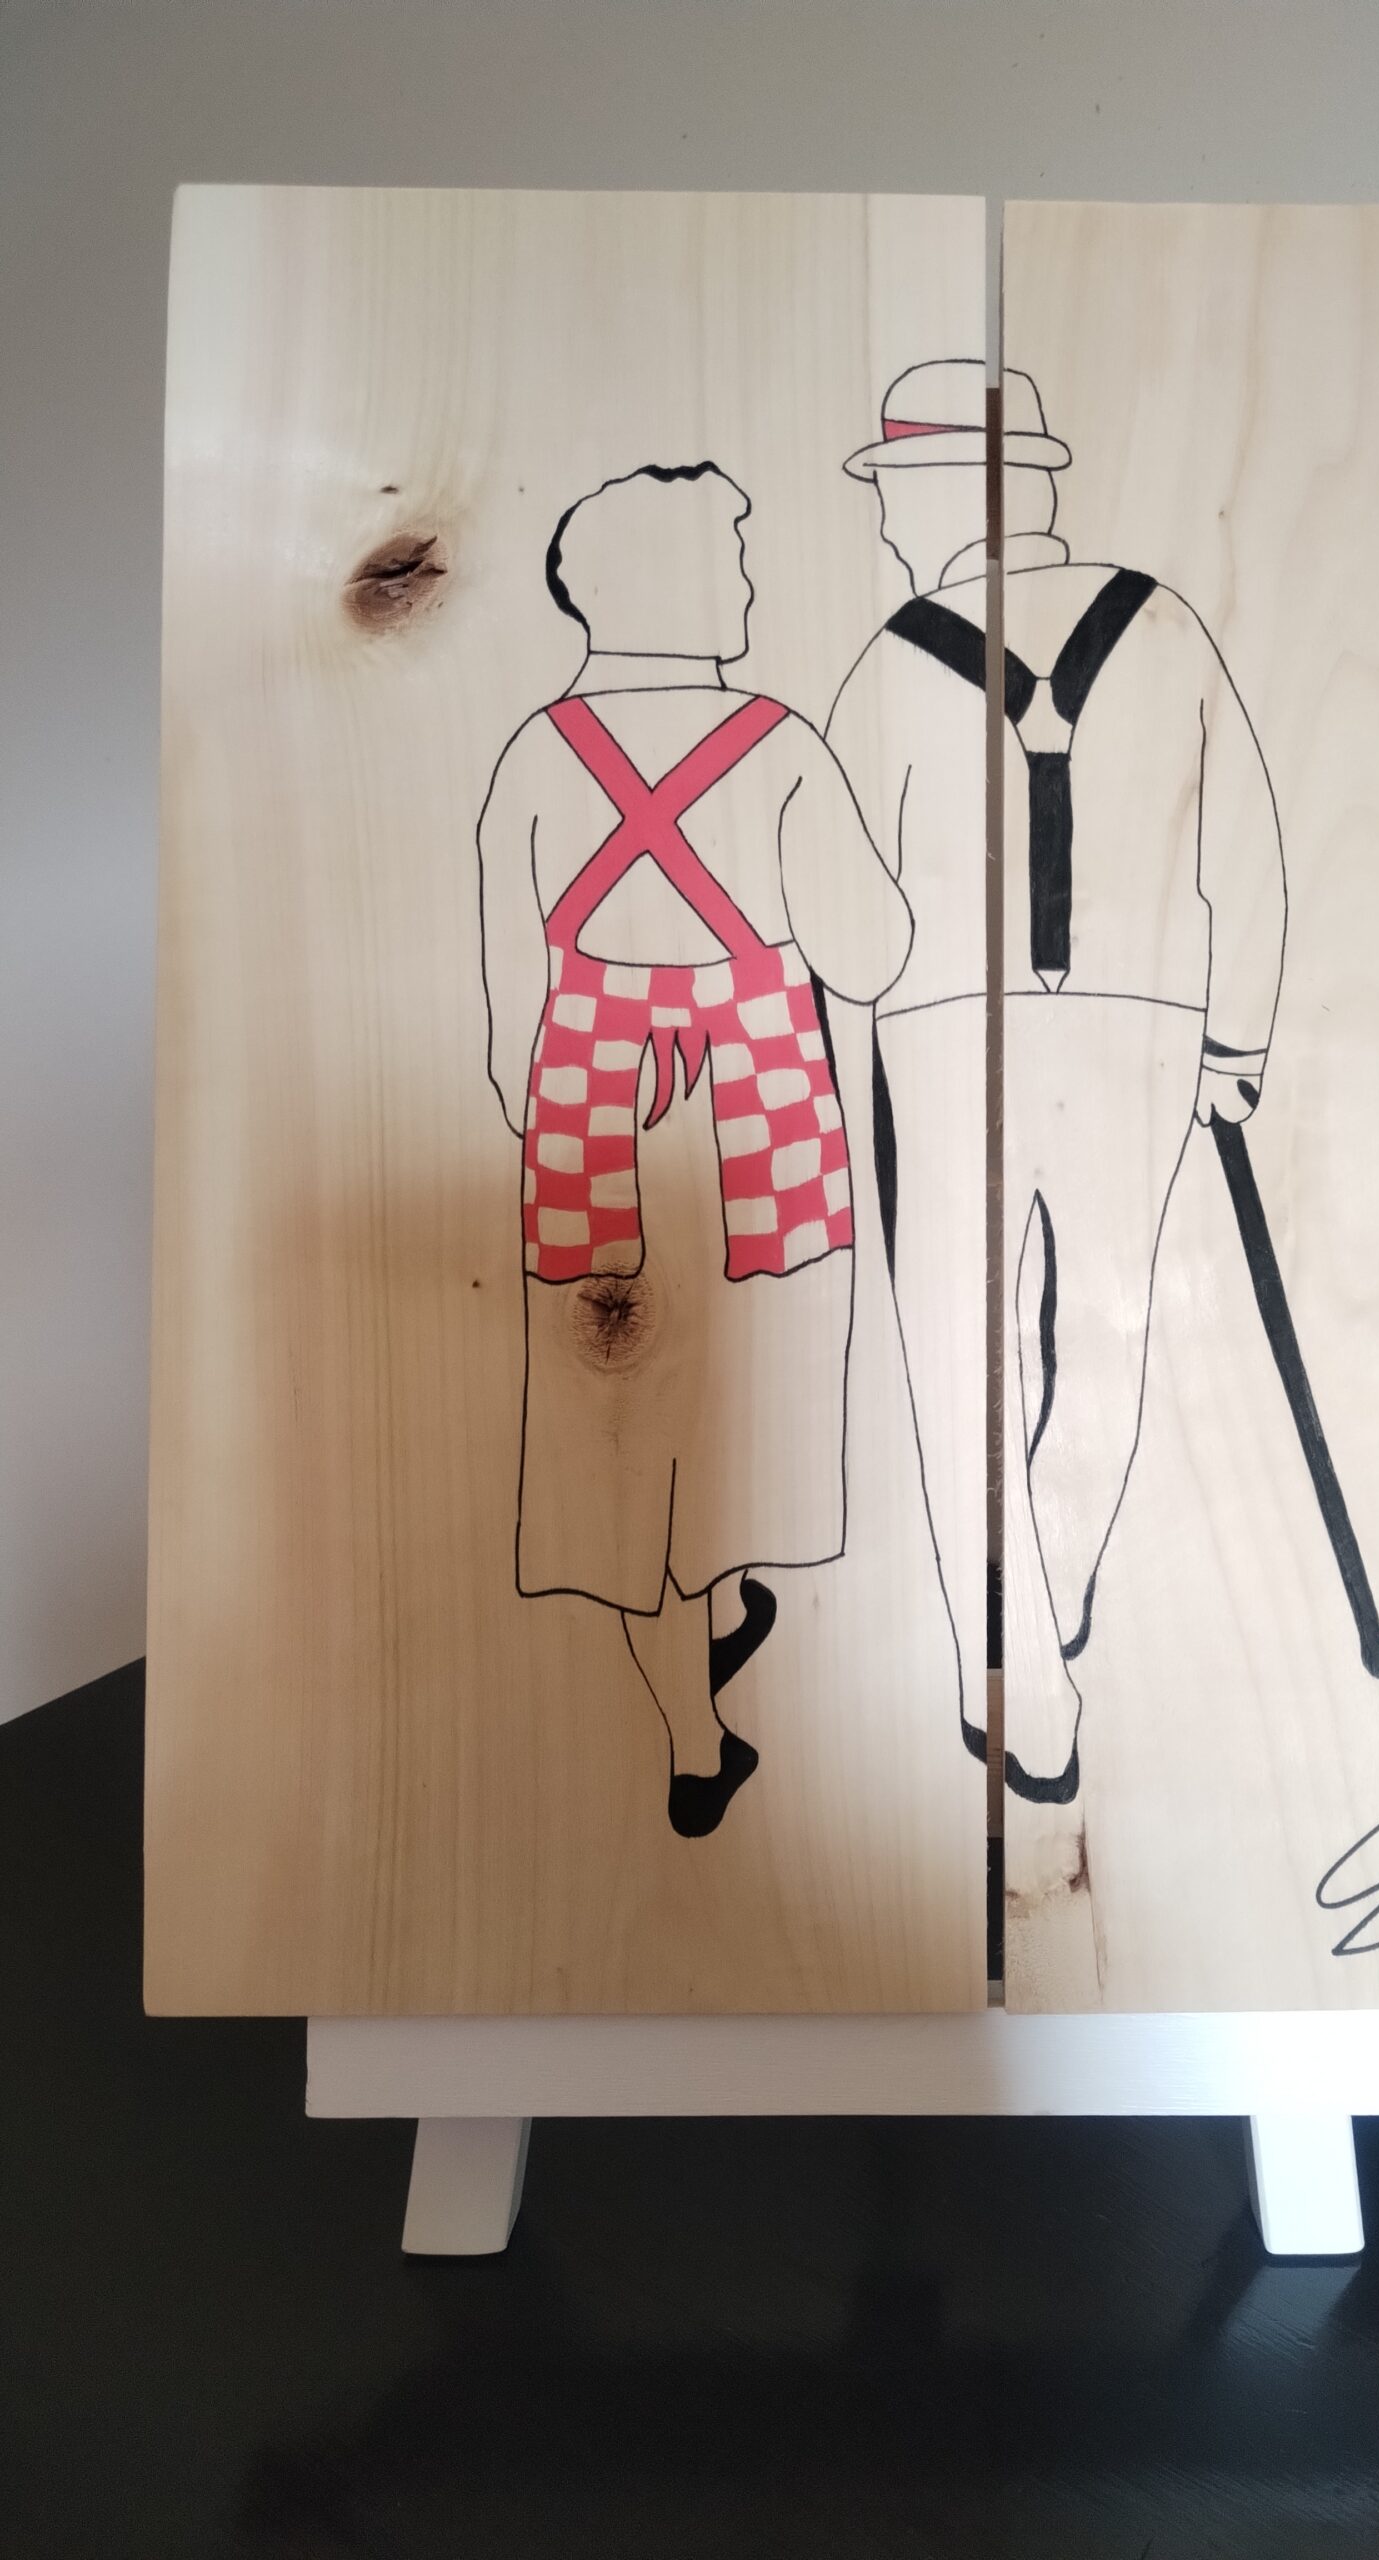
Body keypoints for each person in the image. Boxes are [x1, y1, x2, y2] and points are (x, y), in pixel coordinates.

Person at [829, 362, 1288, 1804]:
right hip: (1143, 1027)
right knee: (1106, 1323)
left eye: (895, 493)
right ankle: (1060, 1579)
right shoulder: (1168, 626)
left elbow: (852, 921)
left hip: (942, 1032)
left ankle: (1023, 1680)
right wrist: (1237, 1041)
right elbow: (1246, 847)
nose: (887, 524)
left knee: (956, 1357)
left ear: (939, 496)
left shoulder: (884, 661)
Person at [478, 462, 910, 1837]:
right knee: (737, 1398)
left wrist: (582, 1094)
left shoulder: (537, 754)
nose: (748, 584)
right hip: (761, 1112)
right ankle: (695, 1738)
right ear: (669, 583)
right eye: (730, 558)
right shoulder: (780, 746)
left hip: (588, 1118)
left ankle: (708, 1633)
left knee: (626, 1417)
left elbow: (504, 1021)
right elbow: (874, 955)